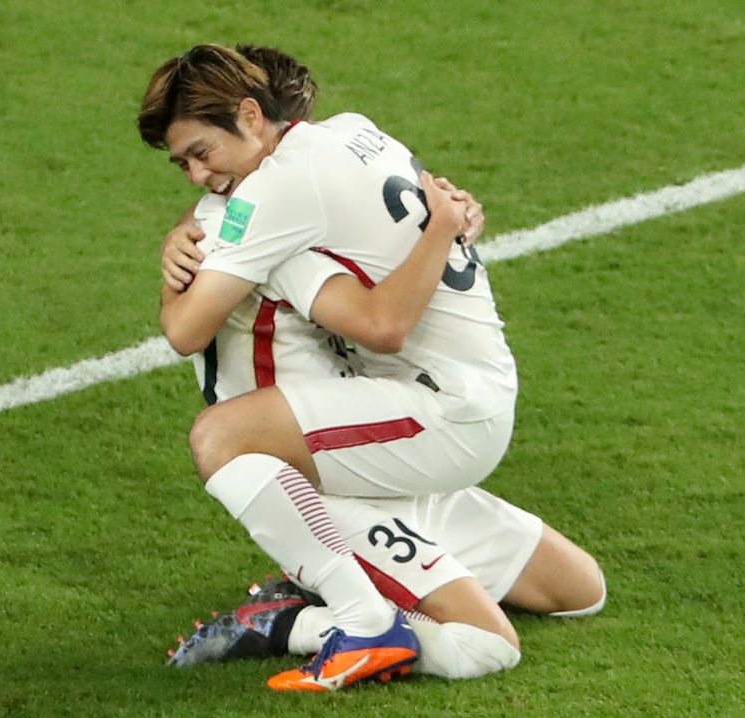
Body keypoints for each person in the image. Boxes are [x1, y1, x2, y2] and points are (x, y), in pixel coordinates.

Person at [137, 43, 540, 691]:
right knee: (579, 588)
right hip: (463, 393)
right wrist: (451, 223)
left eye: (201, 154)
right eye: (180, 162)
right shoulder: (355, 131)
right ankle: (349, 596)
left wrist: (175, 262)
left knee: (218, 435)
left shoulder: (273, 197)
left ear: (250, 115)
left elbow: (187, 330)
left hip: (437, 413)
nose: (192, 174)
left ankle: (338, 618)